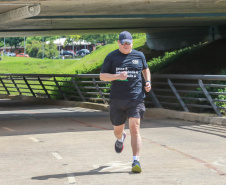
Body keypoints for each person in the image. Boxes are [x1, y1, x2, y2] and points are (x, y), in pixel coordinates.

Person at [100, 31, 151, 173]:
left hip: (136, 98)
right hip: (117, 99)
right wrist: (117, 76)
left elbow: (146, 69)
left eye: (128, 43)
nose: (126, 45)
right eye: (123, 43)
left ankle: (136, 161)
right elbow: (102, 76)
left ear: (132, 43)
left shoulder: (139, 55)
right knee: (117, 130)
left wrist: (148, 81)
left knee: (135, 128)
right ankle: (121, 137)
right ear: (118, 43)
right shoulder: (111, 57)